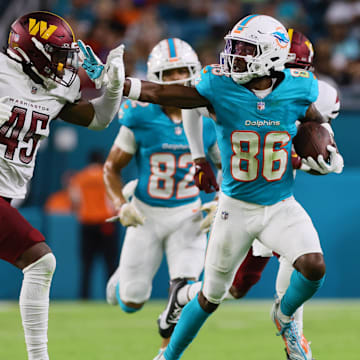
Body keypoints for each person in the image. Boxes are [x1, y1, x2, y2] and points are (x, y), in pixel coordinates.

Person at [113, 14, 343, 360]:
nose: (232, 55)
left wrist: (330, 154)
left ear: (270, 55)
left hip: (280, 203)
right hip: (235, 207)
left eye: (244, 49)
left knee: (314, 266)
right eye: (233, 46)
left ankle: (286, 318)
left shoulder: (300, 86)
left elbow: (316, 123)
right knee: (212, 296)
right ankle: (168, 355)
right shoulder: (219, 85)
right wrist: (198, 158)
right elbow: (167, 93)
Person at [0, 11, 125, 359]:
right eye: (55, 54)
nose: (62, 64)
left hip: (7, 196)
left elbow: (100, 119)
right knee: (40, 261)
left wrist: (113, 87)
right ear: (32, 51)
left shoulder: (55, 88)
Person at [101, 37, 221, 355]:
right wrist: (120, 204)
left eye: (181, 71)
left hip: (189, 215)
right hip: (146, 215)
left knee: (184, 291)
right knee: (131, 301)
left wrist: (221, 201)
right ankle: (120, 282)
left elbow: (229, 167)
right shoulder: (139, 115)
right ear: (155, 78)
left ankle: (165, 352)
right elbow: (111, 167)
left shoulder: (209, 116)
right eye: (168, 74)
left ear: (193, 72)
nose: (176, 80)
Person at [69, 150, 119, 299]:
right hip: (106, 223)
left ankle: (84, 297)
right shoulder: (108, 176)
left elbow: (75, 199)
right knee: (110, 263)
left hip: (87, 222)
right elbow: (113, 200)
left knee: (86, 264)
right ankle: (112, 297)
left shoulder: (79, 177)